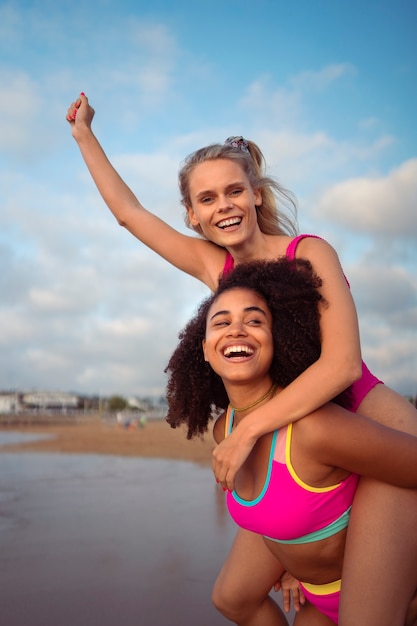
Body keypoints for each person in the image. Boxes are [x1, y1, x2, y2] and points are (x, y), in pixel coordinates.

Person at [66, 93, 417, 626]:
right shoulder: (218, 270)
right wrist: (84, 135)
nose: (223, 205)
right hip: (302, 434)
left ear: (256, 195)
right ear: (191, 214)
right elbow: (129, 214)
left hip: (369, 418)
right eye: (206, 199)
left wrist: (248, 432)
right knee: (245, 592)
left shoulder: (308, 252)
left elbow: (343, 365)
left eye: (234, 191)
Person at [164, 257, 417, 625]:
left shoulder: (314, 428)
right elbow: (281, 509)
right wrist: (286, 562)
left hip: (380, 595)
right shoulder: (225, 429)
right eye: (221, 322)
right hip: (313, 599)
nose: (237, 330)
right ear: (204, 349)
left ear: (275, 340)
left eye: (254, 320)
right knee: (230, 600)